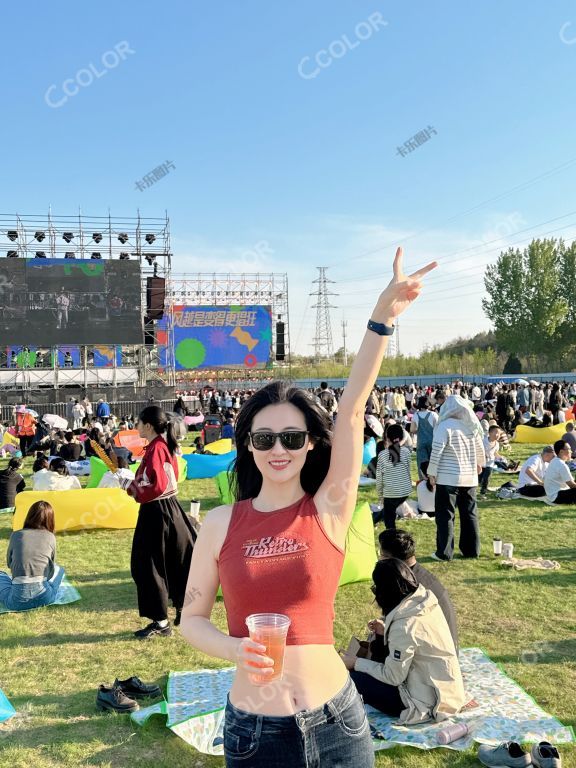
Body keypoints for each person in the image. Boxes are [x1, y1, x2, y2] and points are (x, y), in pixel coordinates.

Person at [180, 247, 436, 768]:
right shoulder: (220, 522)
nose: (279, 449)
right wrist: (235, 650)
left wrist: (381, 318)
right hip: (254, 733)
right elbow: (191, 619)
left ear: (309, 445)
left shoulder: (330, 510)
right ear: (247, 444)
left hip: (339, 723)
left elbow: (352, 411)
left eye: (292, 437)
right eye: (265, 437)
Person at [341, 558, 464, 723]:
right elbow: (418, 638)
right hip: (445, 689)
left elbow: (393, 676)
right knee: (373, 656)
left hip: (423, 701)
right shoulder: (424, 600)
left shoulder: (404, 626)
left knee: (352, 679)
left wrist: (355, 662)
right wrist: (386, 631)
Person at [122, 406, 197, 638]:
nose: (136, 426)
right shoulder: (163, 446)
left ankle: (161, 622)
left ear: (149, 425)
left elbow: (157, 486)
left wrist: (130, 488)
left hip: (156, 511)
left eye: (138, 422)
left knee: (147, 566)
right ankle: (184, 609)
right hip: (169, 509)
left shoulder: (156, 448)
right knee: (174, 559)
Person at [378, 529, 458, 652]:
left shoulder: (407, 586)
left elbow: (404, 635)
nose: (379, 560)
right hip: (444, 649)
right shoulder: (419, 575)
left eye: (381, 555)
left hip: (431, 659)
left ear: (391, 559)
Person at [427, 395, 485, 561]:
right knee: (469, 514)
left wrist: (432, 473)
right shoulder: (471, 426)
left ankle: (444, 552)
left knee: (445, 516)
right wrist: (480, 463)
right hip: (469, 478)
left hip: (448, 478)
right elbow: (480, 449)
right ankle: (471, 550)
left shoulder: (444, 426)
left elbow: (436, 451)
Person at [0, 501, 65, 611]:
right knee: (60, 570)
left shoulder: (16, 535)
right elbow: (50, 569)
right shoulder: (50, 537)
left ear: (29, 515)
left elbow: (9, 563)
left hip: (16, 601)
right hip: (45, 598)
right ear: (50, 519)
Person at [373, 423, 413, 529]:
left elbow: (379, 479)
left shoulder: (382, 455)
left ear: (387, 438)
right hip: (405, 491)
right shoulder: (407, 453)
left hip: (391, 492)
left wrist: (380, 495)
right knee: (389, 509)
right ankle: (375, 518)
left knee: (389, 516)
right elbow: (408, 472)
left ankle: (388, 532)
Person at [410, 396, 438, 479]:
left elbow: (412, 429)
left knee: (422, 463)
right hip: (432, 441)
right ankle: (434, 479)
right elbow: (437, 428)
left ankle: (423, 480)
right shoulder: (433, 414)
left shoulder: (416, 415)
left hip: (421, 441)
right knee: (433, 462)